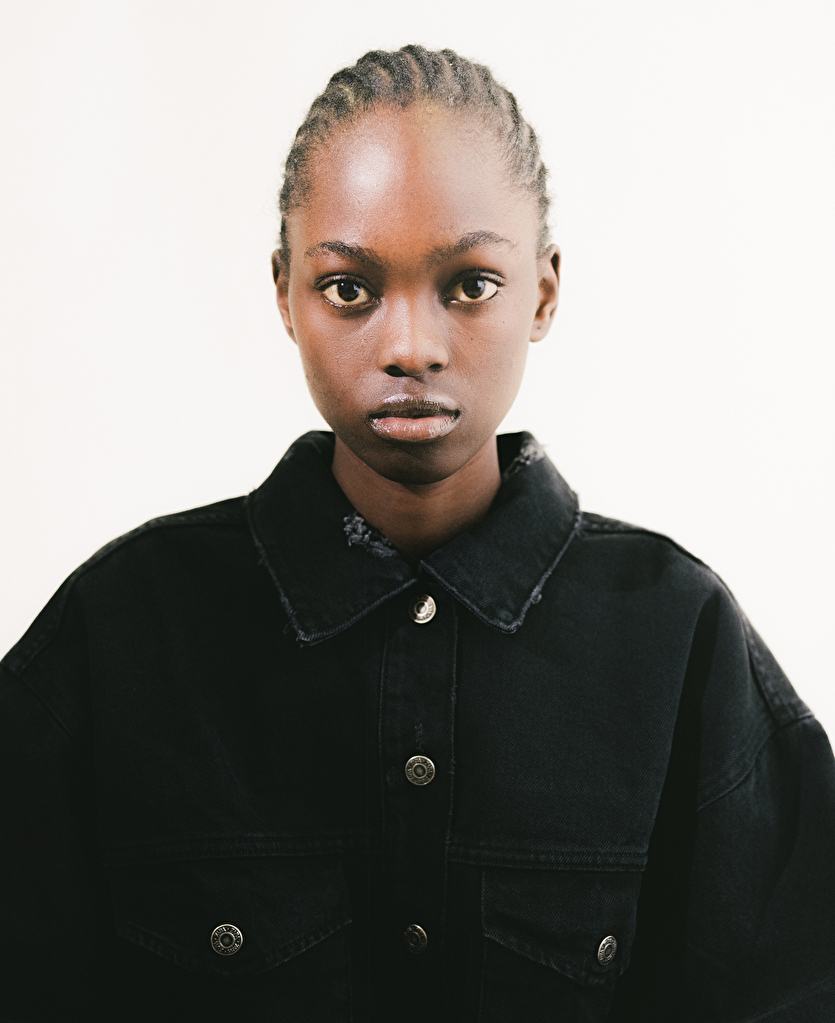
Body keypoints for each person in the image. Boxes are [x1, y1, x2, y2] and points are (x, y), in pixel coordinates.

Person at [2, 43, 834, 1023]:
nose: (409, 346)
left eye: (469, 284)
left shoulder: (674, 635)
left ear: (543, 292)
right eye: (349, 288)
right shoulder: (124, 630)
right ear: (284, 292)